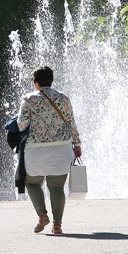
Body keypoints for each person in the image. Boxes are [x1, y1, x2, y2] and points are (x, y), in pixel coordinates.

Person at [16, 65, 81, 235]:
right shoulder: (63, 98)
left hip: (35, 150)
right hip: (61, 148)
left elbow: (21, 124)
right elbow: (71, 122)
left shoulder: (28, 99)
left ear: (35, 81)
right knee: (57, 187)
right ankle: (57, 225)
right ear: (51, 80)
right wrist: (77, 144)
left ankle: (42, 215)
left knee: (31, 182)